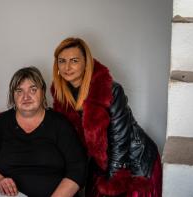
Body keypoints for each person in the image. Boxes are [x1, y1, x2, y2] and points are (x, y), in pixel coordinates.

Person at [51, 37, 162, 197]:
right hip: (102, 161)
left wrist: (113, 183)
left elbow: (120, 140)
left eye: (74, 60)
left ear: (86, 63)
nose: (67, 67)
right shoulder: (62, 96)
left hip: (133, 160)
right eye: (62, 61)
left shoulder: (110, 90)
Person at [0, 67, 87, 197]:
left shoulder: (60, 124)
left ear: (42, 92)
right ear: (13, 96)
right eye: (19, 91)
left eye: (33, 90)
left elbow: (78, 169)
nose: (26, 96)